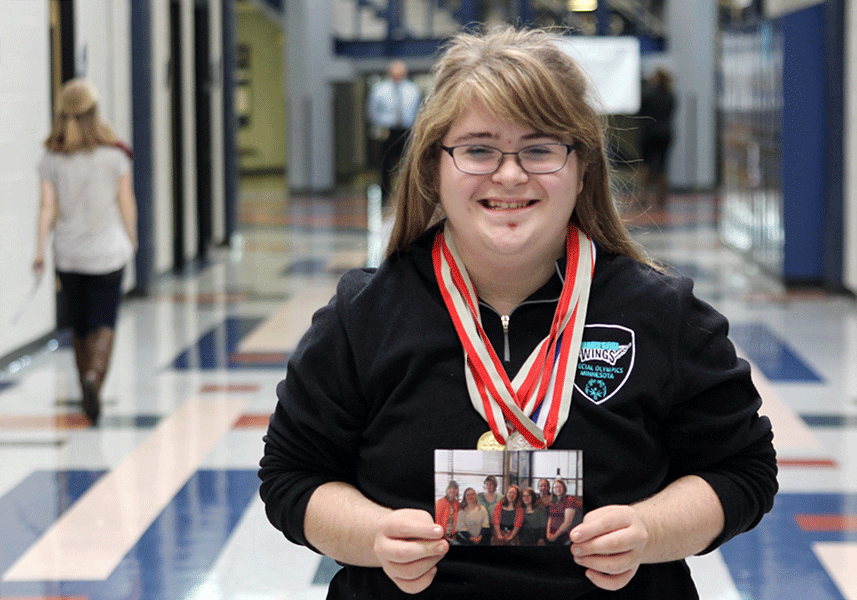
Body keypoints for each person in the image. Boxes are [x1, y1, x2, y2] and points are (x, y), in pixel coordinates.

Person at [259, 25, 777, 599]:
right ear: (434, 168)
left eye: (540, 148)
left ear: (581, 170)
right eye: (478, 148)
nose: (509, 175)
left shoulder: (662, 314)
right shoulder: (365, 316)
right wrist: (373, 536)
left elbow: (744, 469)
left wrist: (652, 530)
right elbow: (293, 477)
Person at [33, 79, 137, 426]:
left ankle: (83, 386)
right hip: (107, 253)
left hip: (69, 254)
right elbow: (126, 202)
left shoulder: (52, 158)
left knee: (79, 324)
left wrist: (39, 250)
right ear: (95, 112)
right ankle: (94, 377)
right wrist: (133, 239)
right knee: (104, 320)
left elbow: (47, 208)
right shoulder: (115, 156)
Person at [367, 59, 422, 202]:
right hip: (388, 131)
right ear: (389, 73)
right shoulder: (380, 90)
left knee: (409, 163)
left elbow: (418, 111)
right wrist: (379, 127)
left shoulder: (412, 90)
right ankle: (385, 194)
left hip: (407, 131)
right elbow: (372, 112)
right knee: (385, 163)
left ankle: (408, 195)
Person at [638, 68, 676, 207]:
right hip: (665, 133)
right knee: (662, 166)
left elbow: (640, 112)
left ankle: (643, 196)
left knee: (646, 164)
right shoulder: (670, 95)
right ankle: (661, 198)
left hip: (649, 133)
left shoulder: (648, 94)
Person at [546, 479, 578, 545]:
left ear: (564, 488)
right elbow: (550, 517)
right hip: (551, 533)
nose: (557, 489)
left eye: (560, 486)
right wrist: (548, 533)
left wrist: (555, 536)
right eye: (555, 487)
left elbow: (567, 523)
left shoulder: (569, 500)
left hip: (564, 534)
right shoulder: (553, 500)